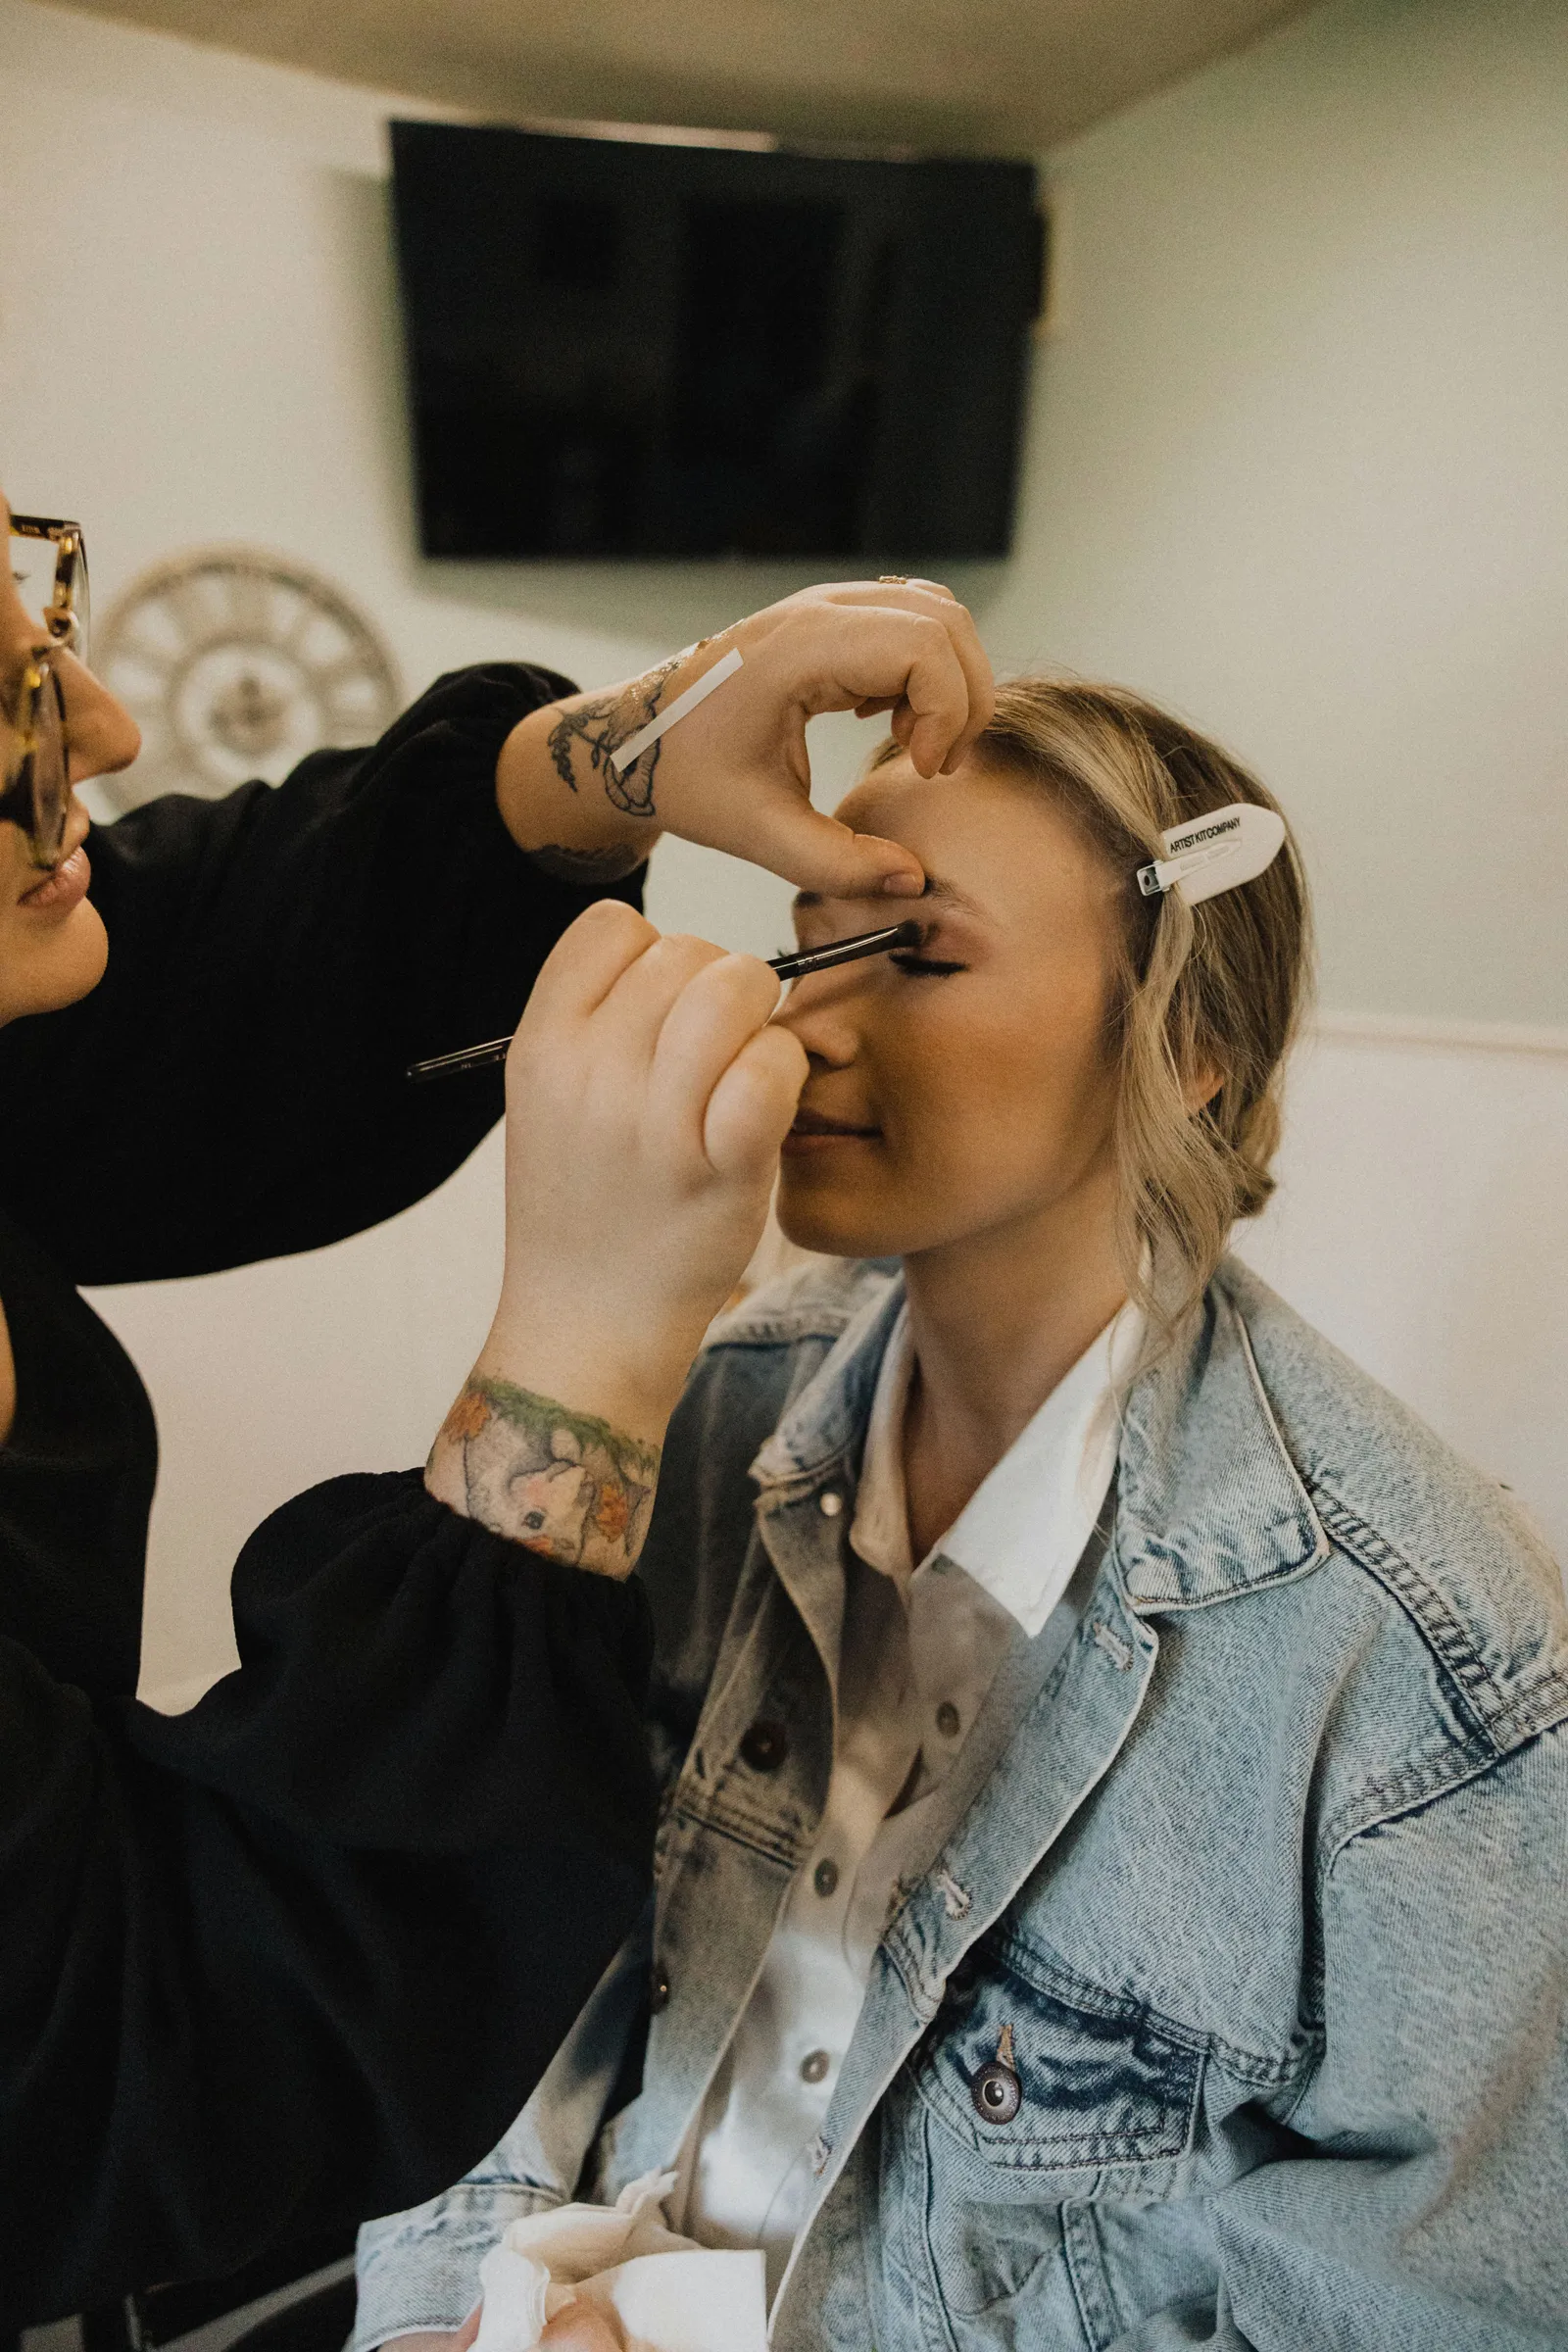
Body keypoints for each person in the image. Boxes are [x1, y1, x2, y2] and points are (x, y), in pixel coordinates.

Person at [357, 677, 1568, 2352]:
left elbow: (1429, 2313)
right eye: (809, 944)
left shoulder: (1415, 1667)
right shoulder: (703, 1418)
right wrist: (452, 2314)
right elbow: (484, 1989)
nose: (805, 1024)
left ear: (1189, 1050)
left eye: (916, 956)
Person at [0, 502, 998, 2329]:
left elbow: (198, 994)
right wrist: (586, 1347)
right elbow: (148, 2055)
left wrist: (615, 757)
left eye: (36, 614)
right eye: (0, 702)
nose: (111, 732)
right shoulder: (740, 1426)